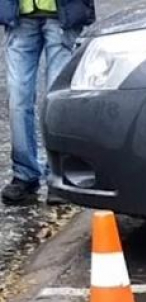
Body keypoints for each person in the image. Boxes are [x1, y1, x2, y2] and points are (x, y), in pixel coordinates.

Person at [0, 0, 94, 205]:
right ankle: (24, 175)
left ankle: (58, 175)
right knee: (18, 99)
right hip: (20, 16)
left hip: (61, 16)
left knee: (57, 101)